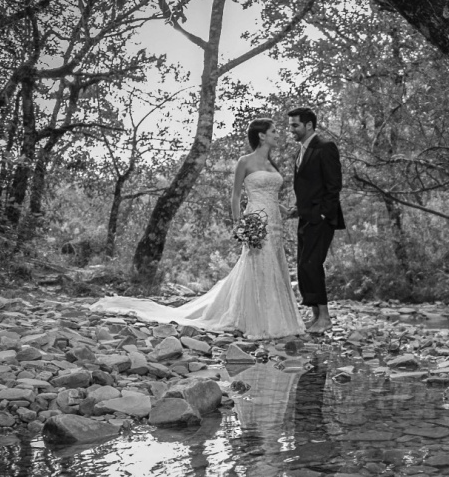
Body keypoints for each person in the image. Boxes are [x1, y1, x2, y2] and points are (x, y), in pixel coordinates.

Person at [90, 117, 305, 341]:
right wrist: (238, 223)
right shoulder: (245, 161)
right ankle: (256, 321)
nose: (277, 134)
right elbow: (236, 196)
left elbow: (271, 196)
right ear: (261, 135)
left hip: (275, 221)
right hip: (255, 220)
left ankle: (278, 318)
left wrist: (287, 210)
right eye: (273, 131)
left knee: (274, 264)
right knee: (258, 264)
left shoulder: (272, 164)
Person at [287, 106, 344, 334]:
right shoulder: (300, 151)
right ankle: (316, 316)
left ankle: (326, 317)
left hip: (321, 218)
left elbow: (334, 185)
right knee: (303, 266)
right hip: (305, 216)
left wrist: (322, 214)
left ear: (309, 125)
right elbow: (308, 186)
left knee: (312, 264)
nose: (291, 129)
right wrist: (298, 208)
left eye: (295, 125)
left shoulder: (325, 147)